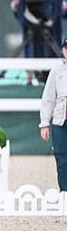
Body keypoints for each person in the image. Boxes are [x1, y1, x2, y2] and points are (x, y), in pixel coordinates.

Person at [10, 0, 67, 83]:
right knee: (47, 54)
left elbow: (19, 10)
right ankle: (33, 78)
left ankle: (29, 80)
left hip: (38, 32)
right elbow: (62, 8)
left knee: (32, 52)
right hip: (49, 33)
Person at [39, 37, 67, 191]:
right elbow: (48, 98)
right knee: (62, 159)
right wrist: (44, 123)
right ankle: (65, 192)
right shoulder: (57, 71)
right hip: (60, 122)